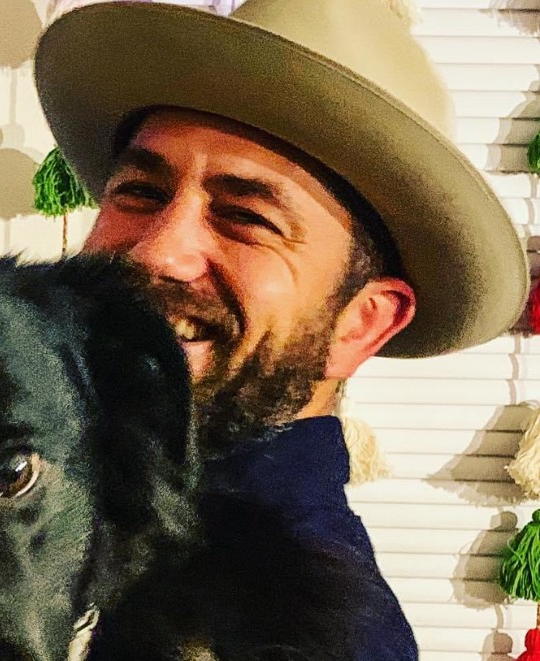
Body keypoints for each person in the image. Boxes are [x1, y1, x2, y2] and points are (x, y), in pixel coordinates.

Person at [34, 0, 529, 658]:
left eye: (246, 217)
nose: (157, 251)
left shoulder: (306, 635)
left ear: (360, 325)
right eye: (140, 193)